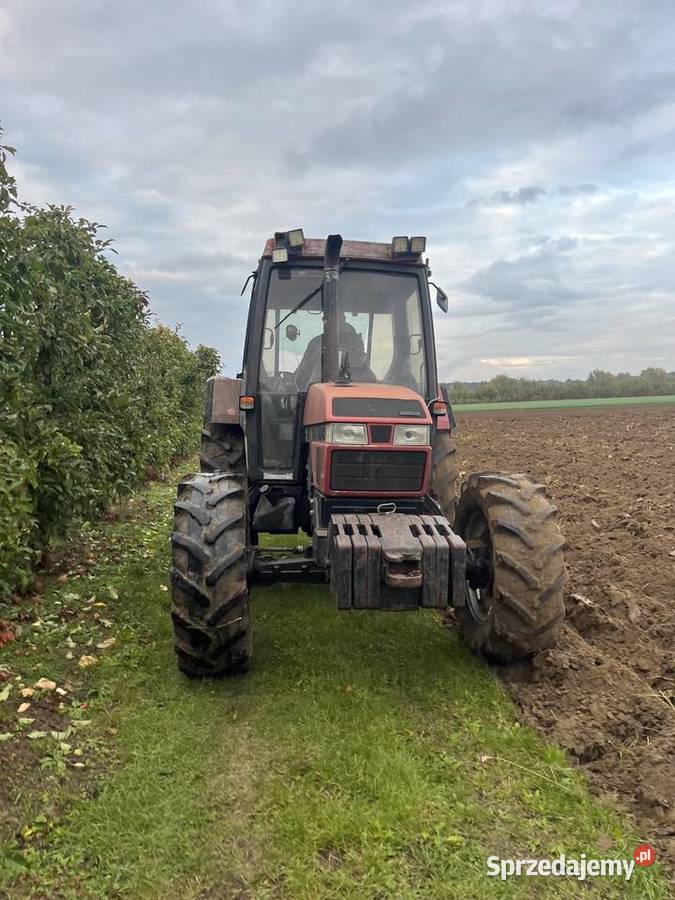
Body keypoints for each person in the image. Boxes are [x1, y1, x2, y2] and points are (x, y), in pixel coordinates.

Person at [295, 312, 376, 390]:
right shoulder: (316, 343)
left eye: (335, 318)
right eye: (327, 318)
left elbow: (302, 377)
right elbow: (302, 374)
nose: (331, 321)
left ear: (343, 319)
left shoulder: (317, 343)